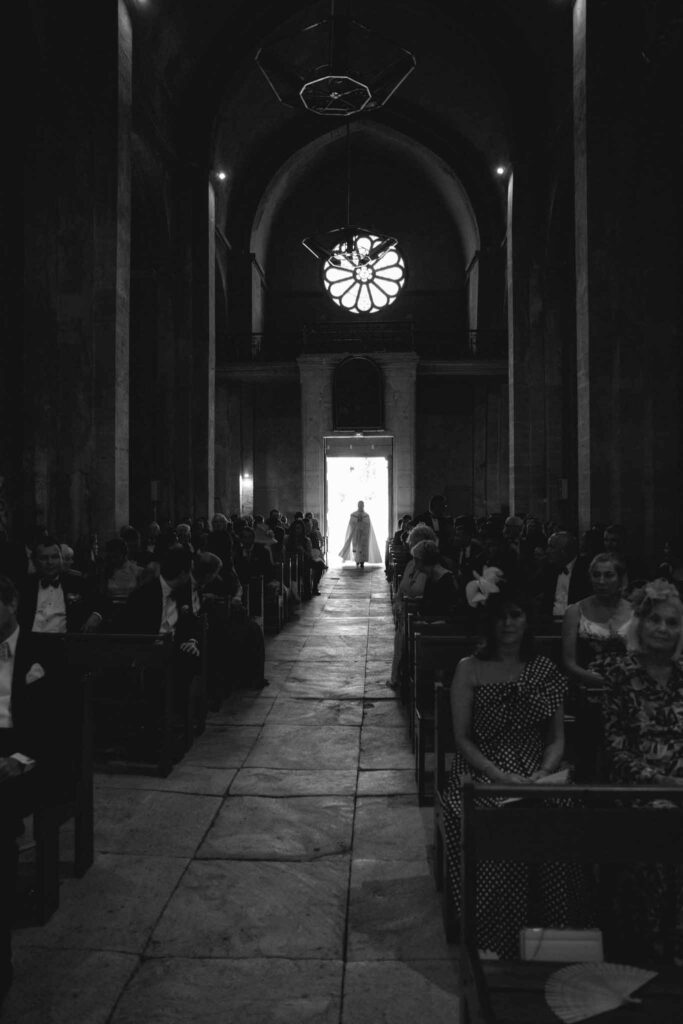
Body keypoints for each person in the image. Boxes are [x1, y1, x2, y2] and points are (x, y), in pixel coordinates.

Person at [443, 588, 585, 959]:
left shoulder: (544, 670)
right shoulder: (469, 668)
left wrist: (544, 771)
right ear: (489, 622)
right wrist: (499, 774)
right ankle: (494, 938)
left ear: (527, 620)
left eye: (516, 615)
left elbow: (556, 738)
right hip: (482, 765)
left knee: (561, 821)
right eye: (501, 616)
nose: (508, 624)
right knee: (493, 824)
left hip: (537, 767)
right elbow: (462, 739)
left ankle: (554, 939)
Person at [599, 579, 683, 963]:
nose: (663, 629)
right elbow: (615, 749)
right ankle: (648, 950)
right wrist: (662, 783)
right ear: (641, 623)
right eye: (656, 620)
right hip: (636, 791)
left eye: (672, 623)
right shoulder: (620, 673)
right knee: (657, 828)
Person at [0, 576, 70, 1004]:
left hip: (26, 758)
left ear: (10, 603)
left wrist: (18, 761)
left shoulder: (40, 653)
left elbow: (54, 726)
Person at [561, 552, 632, 690]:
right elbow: (569, 663)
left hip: (628, 686)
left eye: (608, 575)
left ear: (620, 579)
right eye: (596, 575)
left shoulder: (635, 611)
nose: (601, 581)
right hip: (586, 687)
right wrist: (599, 680)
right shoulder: (574, 611)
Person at [339, 500, 382, 569]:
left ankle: (362, 562)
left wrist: (362, 523)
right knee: (356, 548)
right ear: (358, 505)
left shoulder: (366, 515)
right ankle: (357, 560)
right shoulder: (353, 514)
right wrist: (357, 521)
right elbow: (351, 524)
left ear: (363, 506)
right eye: (360, 505)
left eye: (362, 505)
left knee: (363, 548)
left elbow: (368, 525)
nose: (361, 506)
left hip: (363, 534)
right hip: (355, 533)